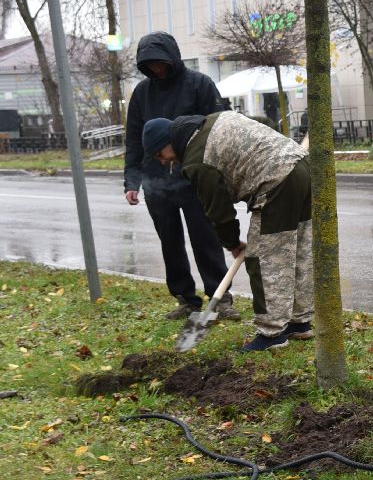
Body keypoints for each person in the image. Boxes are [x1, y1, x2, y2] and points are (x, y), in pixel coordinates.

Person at [144, 111, 313, 352]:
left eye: (160, 154)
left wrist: (232, 243)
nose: (163, 162)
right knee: (300, 252)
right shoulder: (211, 121)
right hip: (301, 167)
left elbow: (218, 211)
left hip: (275, 181)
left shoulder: (196, 159)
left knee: (265, 260)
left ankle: (272, 334)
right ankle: (299, 322)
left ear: (167, 142)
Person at [123, 32, 236, 321]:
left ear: (172, 58)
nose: (157, 70)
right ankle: (185, 298)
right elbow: (134, 139)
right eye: (150, 66)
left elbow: (219, 128)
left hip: (194, 178)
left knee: (206, 238)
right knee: (169, 242)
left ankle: (220, 297)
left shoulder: (199, 84)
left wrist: (219, 173)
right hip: (156, 180)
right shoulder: (142, 93)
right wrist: (131, 181)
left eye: (161, 63)